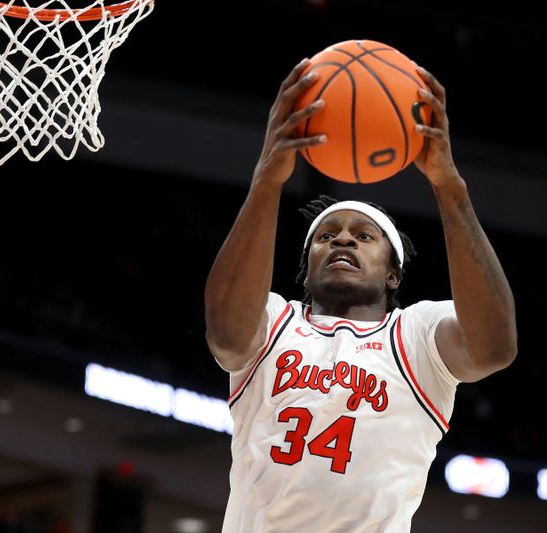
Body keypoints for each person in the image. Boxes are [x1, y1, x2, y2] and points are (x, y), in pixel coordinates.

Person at [205, 57, 517, 532]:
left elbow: (494, 346)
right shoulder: (273, 320)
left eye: (363, 236)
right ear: (305, 269)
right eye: (326, 236)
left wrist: (450, 190)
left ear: (394, 275)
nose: (343, 239)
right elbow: (226, 336)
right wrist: (267, 182)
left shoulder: (415, 335)